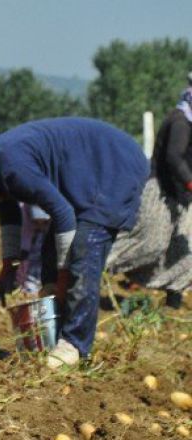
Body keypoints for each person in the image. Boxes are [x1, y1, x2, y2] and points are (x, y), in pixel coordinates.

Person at [0, 120, 148, 369]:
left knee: (83, 252)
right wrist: (8, 270)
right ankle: (57, 331)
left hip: (113, 165)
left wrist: (62, 275)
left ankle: (74, 344)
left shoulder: (12, 167)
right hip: (89, 176)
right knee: (50, 251)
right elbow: (9, 215)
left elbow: (63, 213)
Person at [108, 76, 192, 310]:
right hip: (161, 193)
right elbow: (174, 158)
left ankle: (173, 299)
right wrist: (190, 182)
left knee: (183, 250)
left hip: (180, 198)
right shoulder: (180, 121)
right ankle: (93, 269)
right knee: (149, 243)